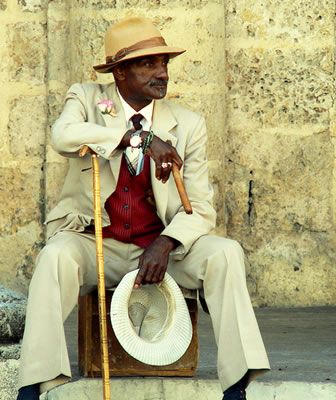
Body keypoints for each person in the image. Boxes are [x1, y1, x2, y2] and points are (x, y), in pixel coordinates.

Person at [17, 17, 270, 400]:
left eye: (164, 63)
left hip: (161, 248)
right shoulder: (87, 98)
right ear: (119, 72)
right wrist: (137, 137)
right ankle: (35, 386)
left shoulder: (188, 124)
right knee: (53, 258)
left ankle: (236, 386)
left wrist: (166, 244)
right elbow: (62, 135)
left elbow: (200, 208)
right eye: (148, 64)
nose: (162, 73)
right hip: (97, 243)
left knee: (225, 254)